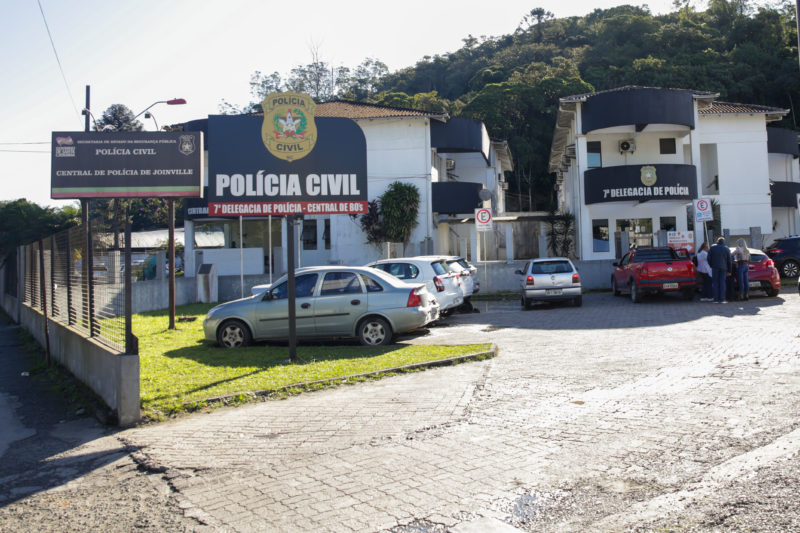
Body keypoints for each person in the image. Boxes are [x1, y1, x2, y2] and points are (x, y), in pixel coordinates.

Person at [708, 236, 731, 303]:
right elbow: (729, 261)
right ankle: (722, 299)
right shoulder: (726, 248)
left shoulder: (712, 248)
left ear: (717, 241)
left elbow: (708, 258)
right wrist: (729, 271)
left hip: (715, 267)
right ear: (724, 242)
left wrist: (711, 265)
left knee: (715, 283)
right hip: (723, 268)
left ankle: (716, 299)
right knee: (722, 283)